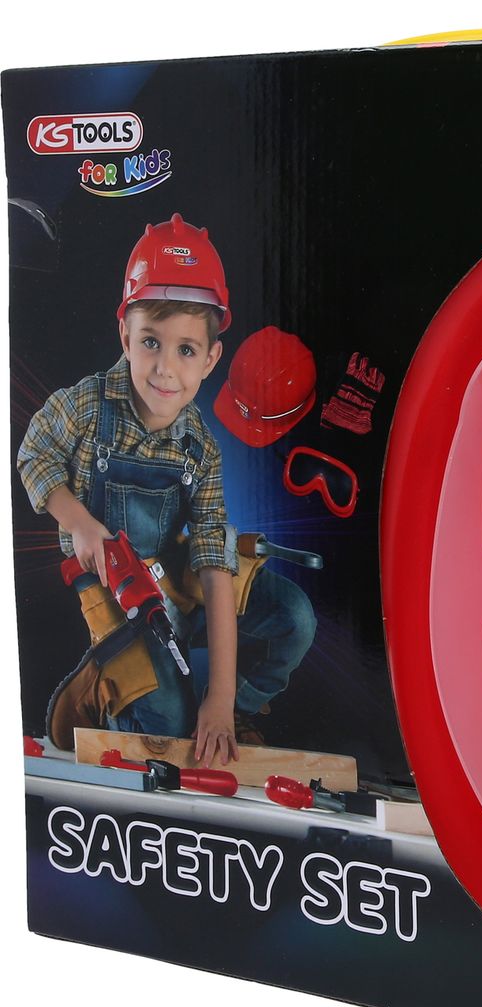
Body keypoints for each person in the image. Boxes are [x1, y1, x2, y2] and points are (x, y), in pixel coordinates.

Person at [17, 213, 316, 764]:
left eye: (186, 350)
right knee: (166, 726)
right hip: (114, 592)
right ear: (125, 336)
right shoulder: (86, 406)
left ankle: (233, 717)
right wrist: (79, 523)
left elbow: (214, 564)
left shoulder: (200, 448)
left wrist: (220, 697)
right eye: (151, 342)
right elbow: (33, 453)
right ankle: (98, 687)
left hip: (173, 583)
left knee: (293, 617)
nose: (165, 369)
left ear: (211, 358)